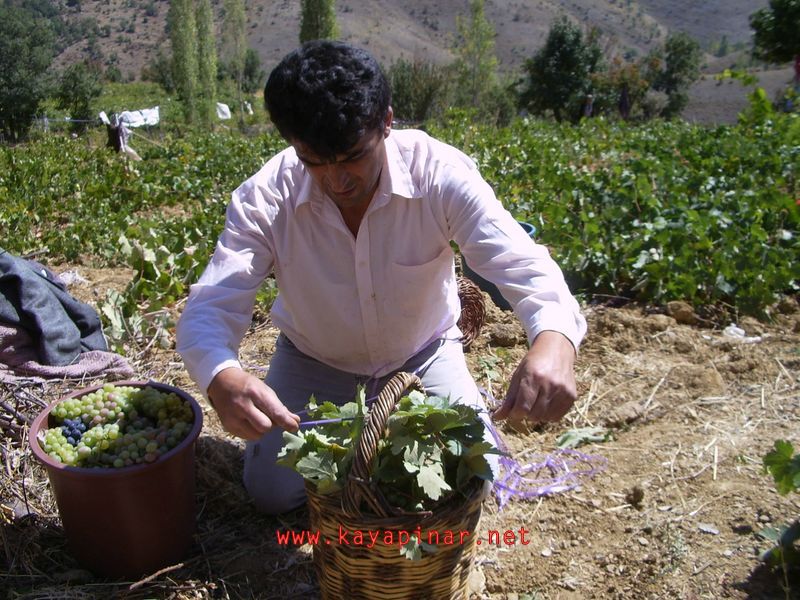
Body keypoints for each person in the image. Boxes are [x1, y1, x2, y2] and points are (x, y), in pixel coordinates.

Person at [176, 40, 587, 514]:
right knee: (271, 495)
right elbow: (211, 304)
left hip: (422, 354)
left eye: (353, 155)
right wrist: (221, 376)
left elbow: (525, 266)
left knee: (476, 476)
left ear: (387, 122)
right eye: (314, 161)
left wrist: (554, 341)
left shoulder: (439, 175)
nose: (336, 181)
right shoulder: (267, 198)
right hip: (315, 360)